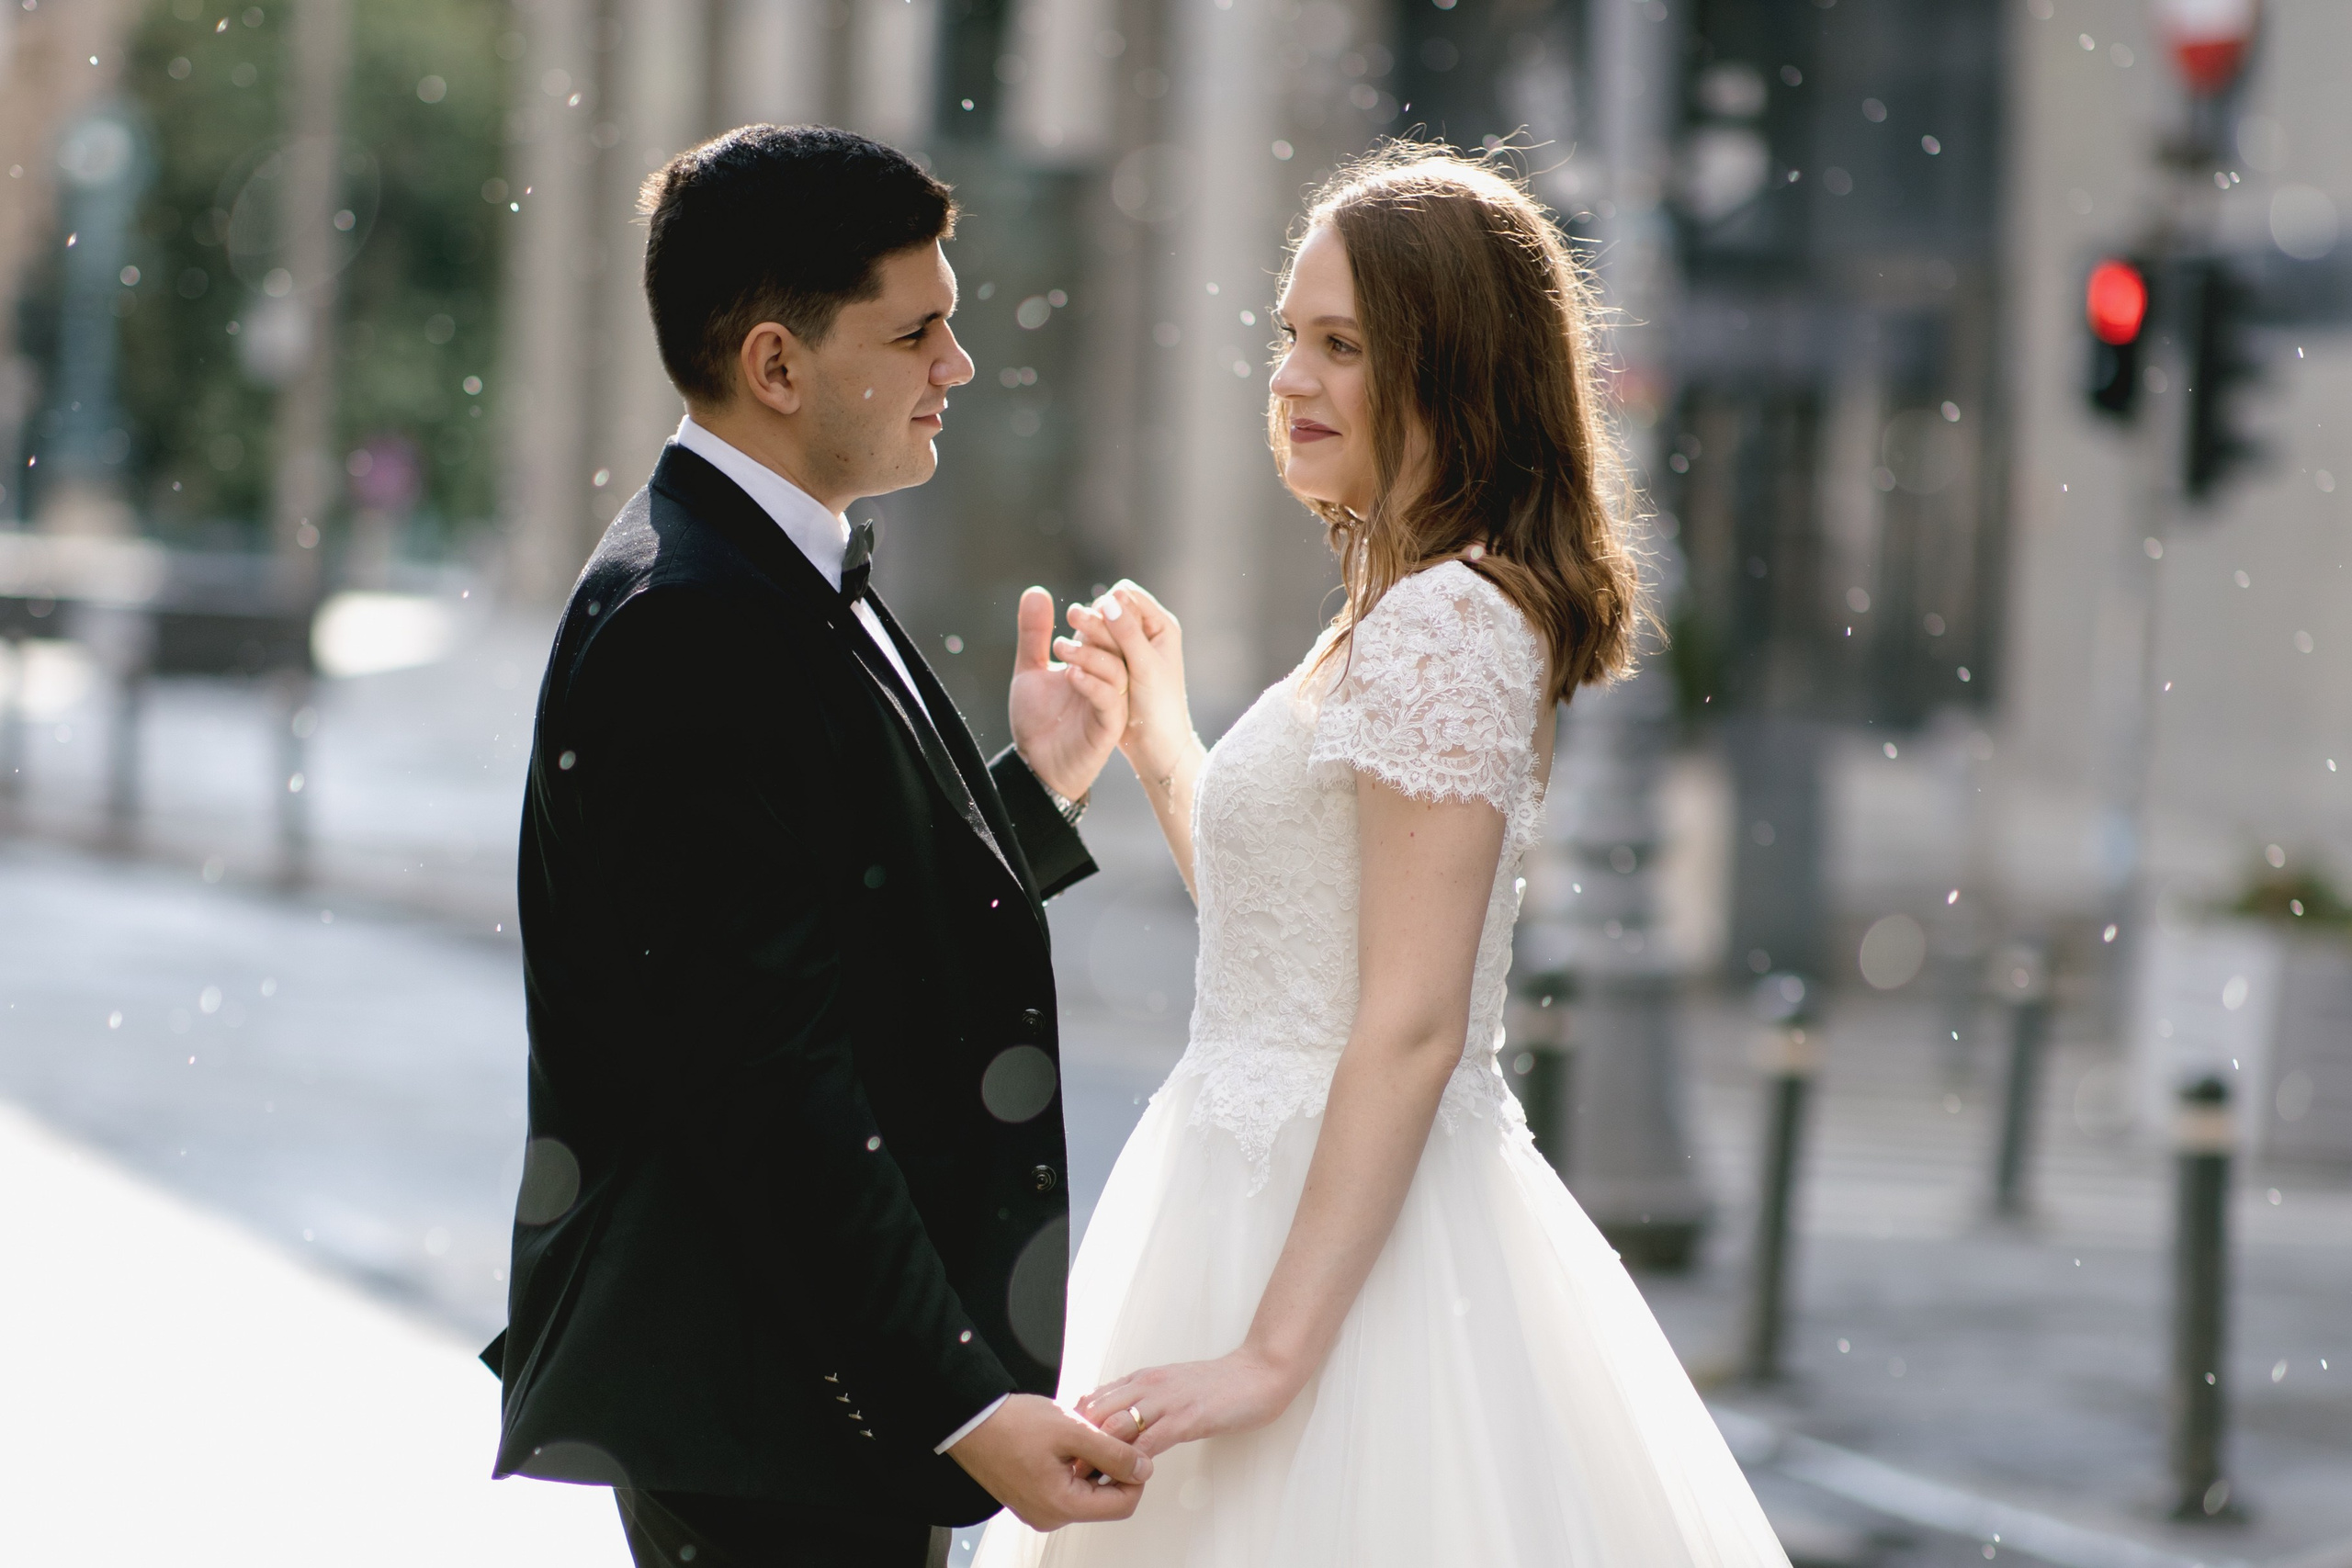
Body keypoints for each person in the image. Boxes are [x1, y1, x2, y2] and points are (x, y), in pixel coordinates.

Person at [976, 148, 1792, 1566]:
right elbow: (1294, 931)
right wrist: (1164, 744)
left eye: (1343, 347)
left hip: (1350, 1247)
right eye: (1290, 337)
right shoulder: (1394, 614)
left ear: (1453, 376)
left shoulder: (1448, 626)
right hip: (1252, 1190)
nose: (1292, 379)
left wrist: (1272, 1358)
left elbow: (1408, 1026)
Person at [481, 124, 1154, 1568]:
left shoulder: (764, 565)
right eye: (917, 333)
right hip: (770, 1426)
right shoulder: (690, 619)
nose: (955, 369)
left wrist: (1032, 794)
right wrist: (963, 1402)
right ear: (778, 367)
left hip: (800, 1411)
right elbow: (762, 1080)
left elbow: (845, 932)